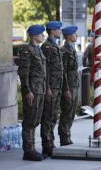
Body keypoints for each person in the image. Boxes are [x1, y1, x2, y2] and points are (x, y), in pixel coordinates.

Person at [18, 25, 46, 161]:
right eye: (41, 34)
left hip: (40, 90)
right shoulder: (27, 51)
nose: (43, 36)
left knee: (35, 120)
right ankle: (28, 151)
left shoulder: (38, 50)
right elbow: (24, 73)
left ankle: (32, 148)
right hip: (33, 91)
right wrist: (27, 91)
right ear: (34, 36)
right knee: (29, 120)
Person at [40, 21, 68, 156]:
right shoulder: (46, 47)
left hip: (57, 88)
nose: (60, 31)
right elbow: (45, 70)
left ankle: (51, 143)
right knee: (47, 117)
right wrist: (47, 88)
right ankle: (47, 146)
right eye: (58, 29)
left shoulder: (54, 46)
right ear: (52, 30)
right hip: (51, 88)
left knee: (52, 117)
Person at [58, 25, 80, 146]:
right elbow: (63, 72)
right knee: (67, 111)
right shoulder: (64, 51)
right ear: (68, 36)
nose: (76, 36)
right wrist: (66, 89)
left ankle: (67, 134)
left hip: (74, 84)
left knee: (72, 112)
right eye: (74, 34)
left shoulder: (72, 49)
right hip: (69, 86)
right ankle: (64, 136)